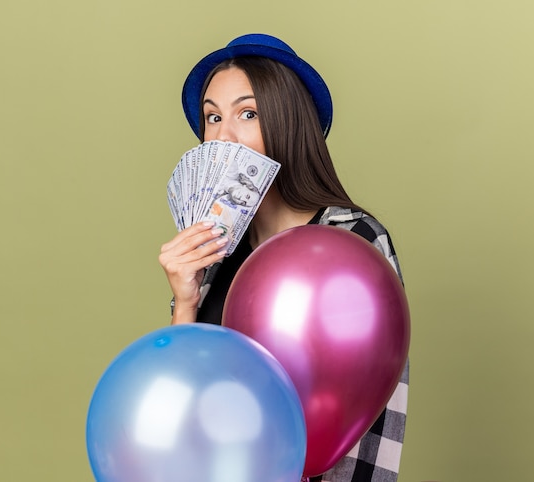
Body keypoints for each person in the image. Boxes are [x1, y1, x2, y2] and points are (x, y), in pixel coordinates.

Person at [159, 33, 409, 482]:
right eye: (212, 117)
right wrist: (185, 302)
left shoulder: (353, 240)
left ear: (287, 123)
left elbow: (372, 414)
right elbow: (180, 406)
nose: (224, 135)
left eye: (248, 114)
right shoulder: (214, 253)